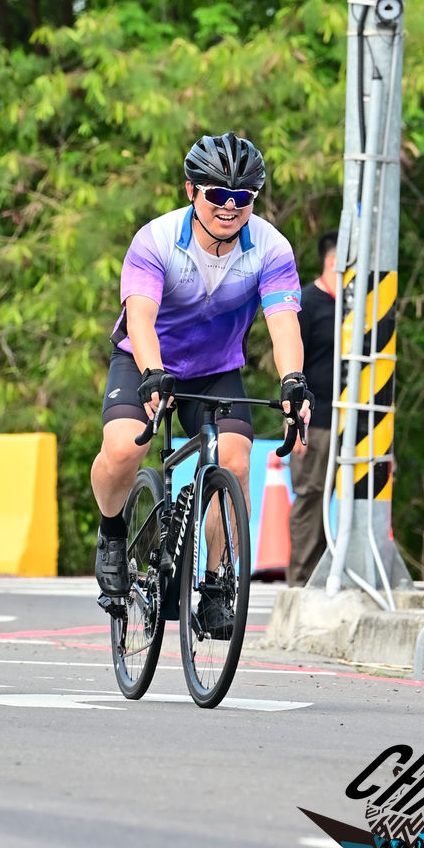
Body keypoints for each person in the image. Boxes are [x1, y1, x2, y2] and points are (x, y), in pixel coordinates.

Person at [90, 131, 312, 636]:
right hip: (147, 361)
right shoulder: (156, 240)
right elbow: (140, 318)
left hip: (215, 369)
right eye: (217, 194)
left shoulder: (271, 248)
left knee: (234, 461)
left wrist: (293, 381)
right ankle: (111, 531)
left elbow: (284, 325)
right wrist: (152, 373)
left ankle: (215, 586)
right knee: (123, 449)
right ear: (192, 191)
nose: (230, 207)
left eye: (242, 196)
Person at [287, 229, 338, 588]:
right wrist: (292, 421)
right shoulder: (308, 303)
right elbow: (291, 366)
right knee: (311, 498)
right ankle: (302, 583)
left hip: (354, 423)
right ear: (333, 262)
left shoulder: (360, 306)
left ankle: (334, 578)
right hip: (314, 422)